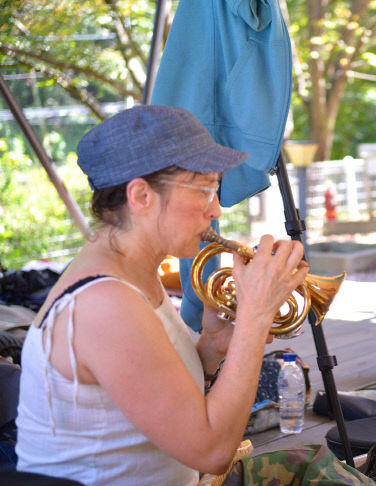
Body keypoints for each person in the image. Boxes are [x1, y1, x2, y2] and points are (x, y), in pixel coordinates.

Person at [13, 105, 309, 484]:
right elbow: (213, 451)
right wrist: (254, 316)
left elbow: (152, 399)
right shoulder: (105, 303)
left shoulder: (132, 274)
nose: (216, 208)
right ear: (141, 196)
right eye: (205, 190)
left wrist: (210, 352)